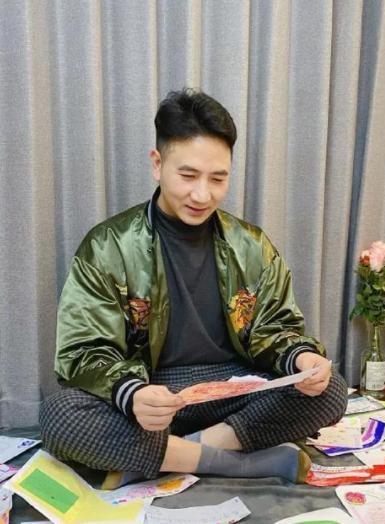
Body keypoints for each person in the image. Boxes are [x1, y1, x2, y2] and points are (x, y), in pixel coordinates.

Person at [40, 88, 347, 487]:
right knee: (61, 415)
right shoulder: (108, 246)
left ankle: (173, 454)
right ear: (157, 164)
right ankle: (238, 462)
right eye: (187, 176)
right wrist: (133, 394)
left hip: (235, 390)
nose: (202, 195)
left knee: (331, 389)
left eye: (218, 178)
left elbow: (276, 329)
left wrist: (302, 360)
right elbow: (85, 351)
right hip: (155, 395)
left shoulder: (251, 245)